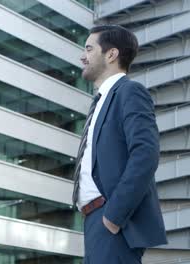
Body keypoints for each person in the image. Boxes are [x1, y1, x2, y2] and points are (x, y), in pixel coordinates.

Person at [72, 25, 167, 263]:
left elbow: (145, 154)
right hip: (94, 220)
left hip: (112, 220)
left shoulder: (130, 92)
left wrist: (114, 215)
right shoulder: (100, 101)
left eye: (89, 49)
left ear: (111, 54)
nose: (83, 56)